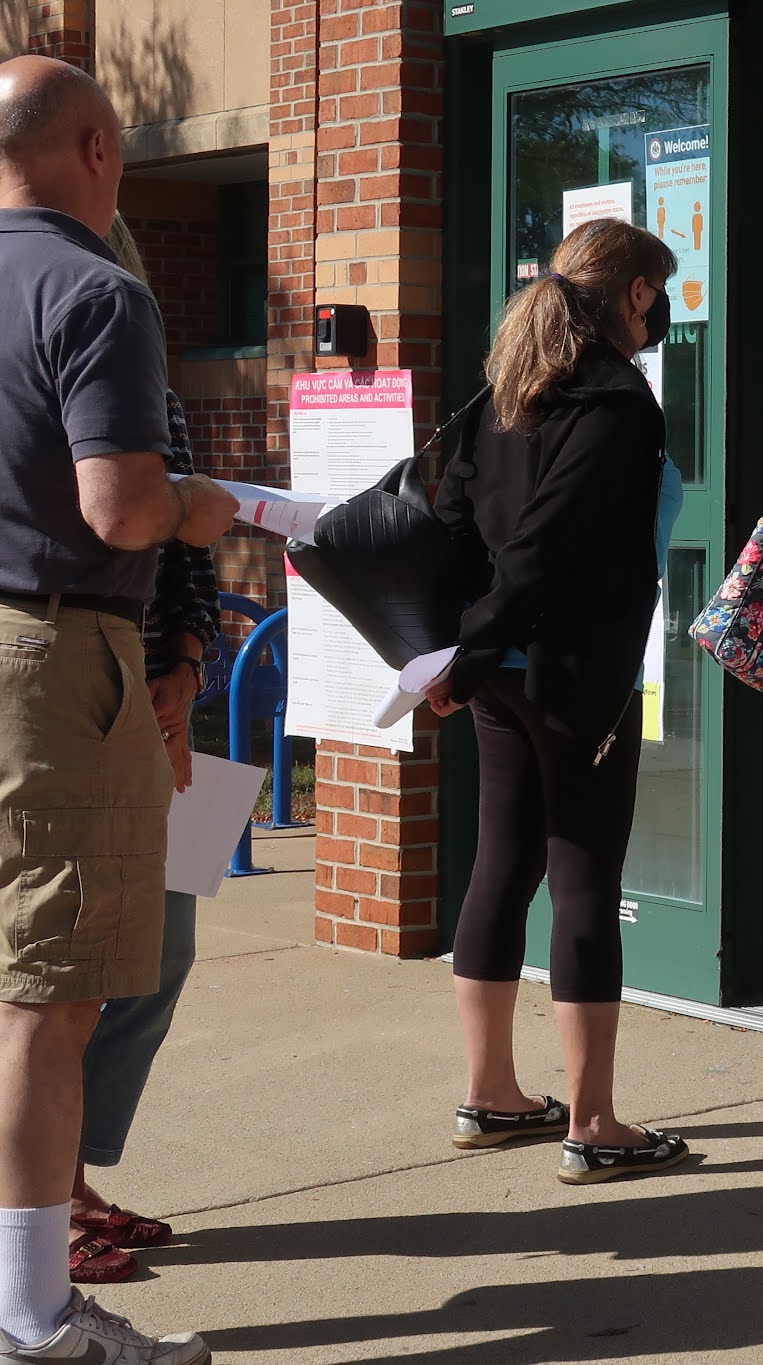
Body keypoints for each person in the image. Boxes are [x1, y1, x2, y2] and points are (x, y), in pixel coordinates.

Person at [0, 54, 238, 1365]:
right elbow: (126, 508)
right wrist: (207, 508)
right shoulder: (99, 291)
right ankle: (34, 1317)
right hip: (57, 659)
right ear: (96, 150)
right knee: (50, 1000)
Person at [426, 219, 691, 1185]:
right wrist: (471, 653)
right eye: (658, 297)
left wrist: (459, 653)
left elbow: (455, 527)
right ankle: (594, 1123)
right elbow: (548, 542)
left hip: (499, 675)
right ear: (633, 293)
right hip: (574, 674)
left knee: (503, 864)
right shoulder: (616, 399)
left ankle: (491, 1093)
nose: (658, 319)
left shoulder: (505, 392)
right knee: (583, 878)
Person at [58, 215, 223, 1287]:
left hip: (160, 699)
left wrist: (190, 662)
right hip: (69, 693)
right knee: (63, 962)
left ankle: (67, 1173)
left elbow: (191, 556)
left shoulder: (151, 381)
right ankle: (44, 1199)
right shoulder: (48, 359)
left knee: (163, 948)